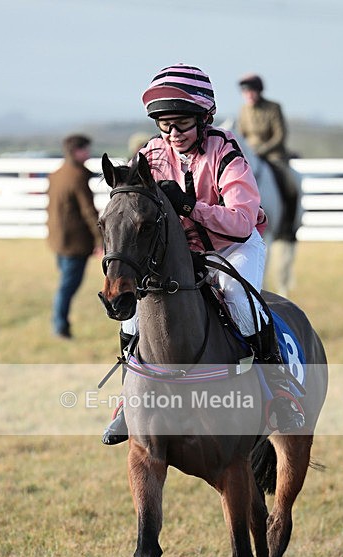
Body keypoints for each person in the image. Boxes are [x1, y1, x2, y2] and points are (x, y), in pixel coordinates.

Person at [103, 63, 304, 444]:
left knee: (239, 301)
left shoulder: (226, 151)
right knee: (132, 316)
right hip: (178, 255)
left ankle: (280, 393)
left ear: (204, 118)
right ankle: (128, 403)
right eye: (164, 125)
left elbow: (243, 222)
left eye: (181, 124)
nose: (172, 134)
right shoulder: (151, 153)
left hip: (233, 247)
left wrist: (191, 208)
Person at [47, 134, 102, 338]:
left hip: (58, 239)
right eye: (85, 149)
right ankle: (60, 326)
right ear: (76, 151)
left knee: (65, 283)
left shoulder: (58, 174)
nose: (88, 153)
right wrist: (100, 239)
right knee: (68, 286)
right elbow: (89, 211)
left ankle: (60, 323)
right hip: (75, 242)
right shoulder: (77, 177)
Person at [237, 74, 299, 241]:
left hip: (273, 155)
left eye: (251, 91)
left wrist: (262, 150)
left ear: (259, 91)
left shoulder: (273, 108)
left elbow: (280, 135)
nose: (248, 95)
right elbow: (242, 135)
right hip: (251, 156)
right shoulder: (244, 110)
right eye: (245, 92)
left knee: (291, 185)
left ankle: (289, 225)